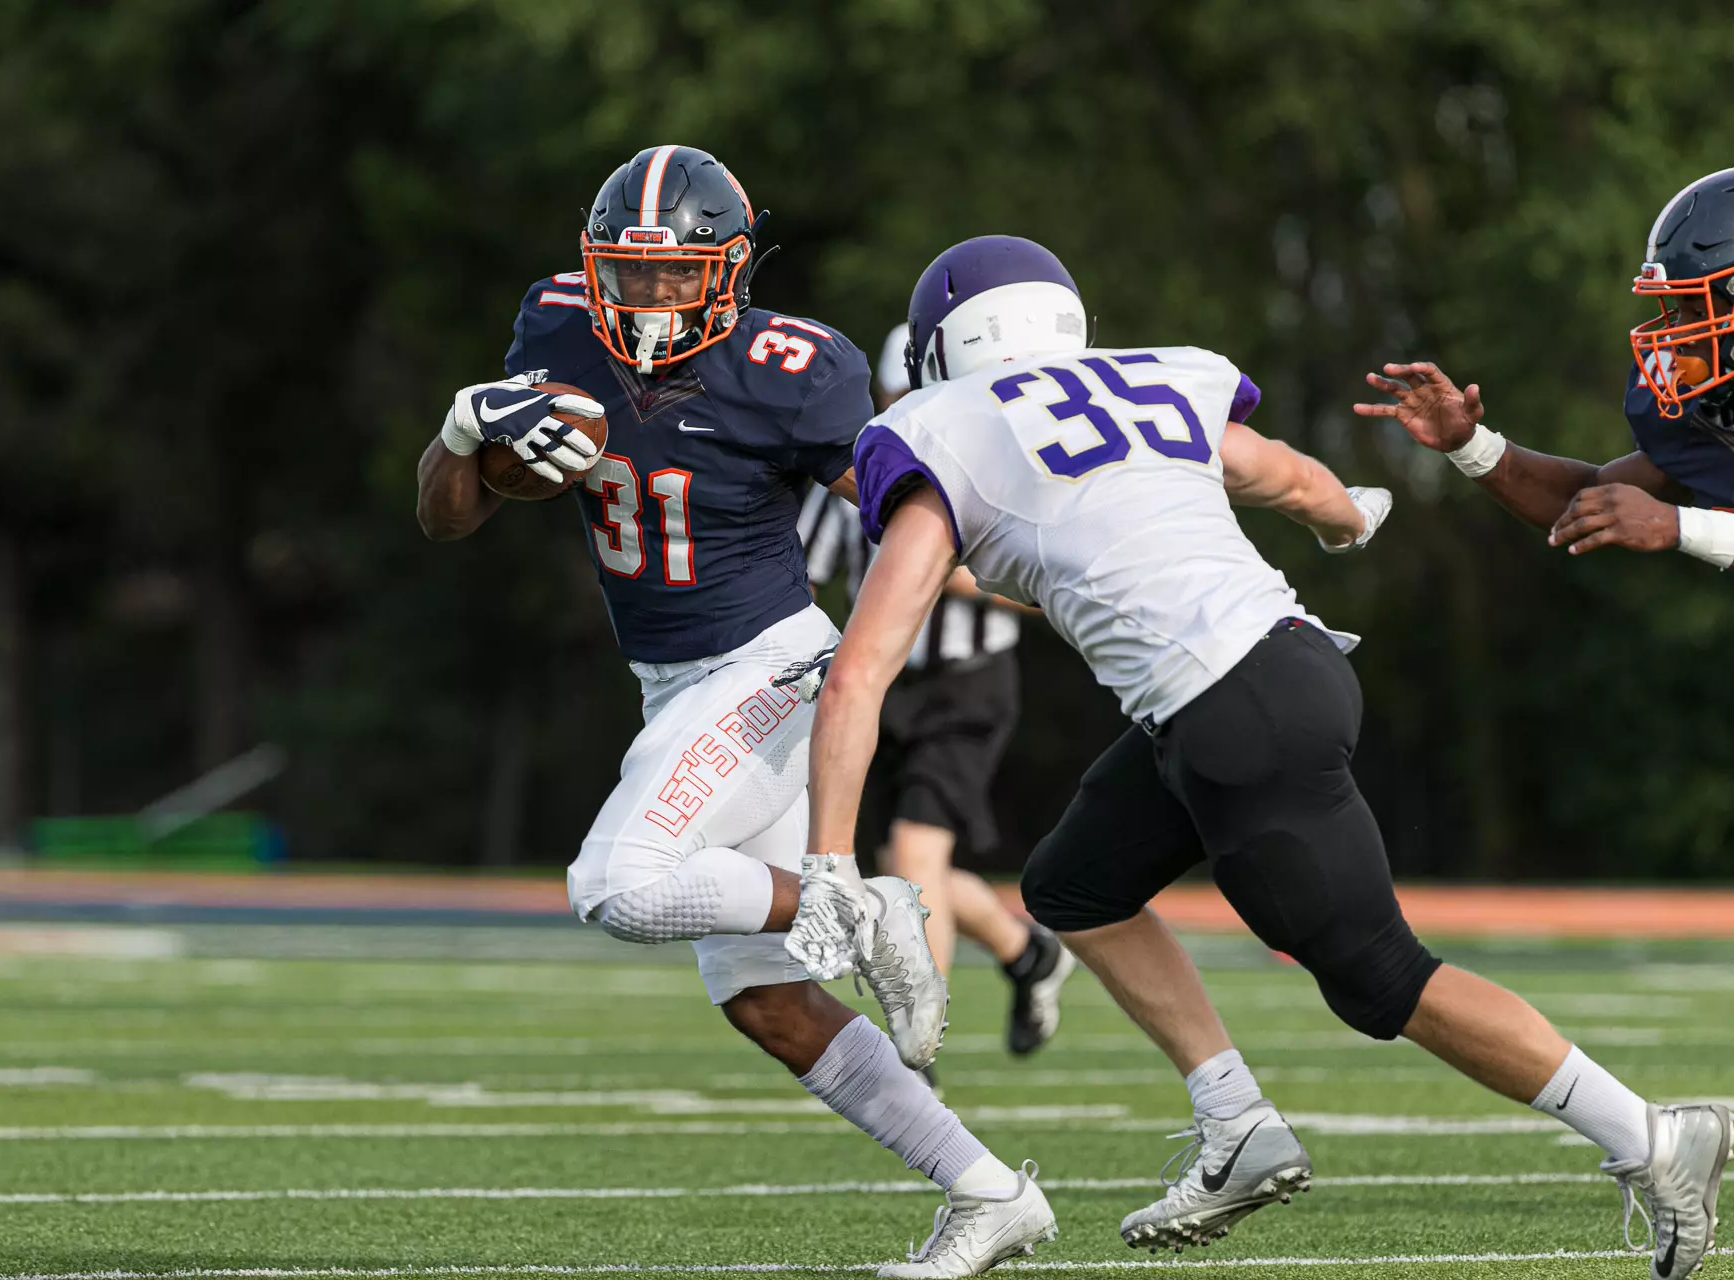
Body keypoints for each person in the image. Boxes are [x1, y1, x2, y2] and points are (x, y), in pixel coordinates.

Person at [784, 234, 1730, 1279]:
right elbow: (1299, 483)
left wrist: (830, 858)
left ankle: (1652, 1136)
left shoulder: (939, 433)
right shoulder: (1151, 381)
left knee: (1381, 977)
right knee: (1075, 883)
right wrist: (1349, 521)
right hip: (1274, 672)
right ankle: (1235, 1121)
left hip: (1231, 710)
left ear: (940, 349)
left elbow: (860, 674)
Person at [415, 147, 1050, 1279]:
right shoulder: (557, 326)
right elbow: (447, 519)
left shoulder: (797, 367)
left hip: (767, 666)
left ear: (732, 268)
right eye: (626, 273)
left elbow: (908, 509)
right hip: (670, 684)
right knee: (764, 998)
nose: (646, 299)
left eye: (673, 277)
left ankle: (865, 902)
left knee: (614, 883)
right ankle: (990, 1192)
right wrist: (462, 431)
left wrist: (1047, 557)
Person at [797, 324, 1075, 1074]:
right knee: (903, 864)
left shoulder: (1002, 477)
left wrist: (957, 575)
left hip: (967, 682)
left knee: (915, 857)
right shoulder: (858, 473)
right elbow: (803, 575)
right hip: (882, 683)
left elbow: (1058, 590)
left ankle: (916, 1057)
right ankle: (1027, 952)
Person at [1353, 168, 1734, 571]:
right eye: (1679, 310)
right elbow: (1591, 500)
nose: (1679, 333)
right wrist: (1470, 446)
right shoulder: (1706, 406)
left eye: (1697, 310)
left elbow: (1662, 521)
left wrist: (1677, 525)